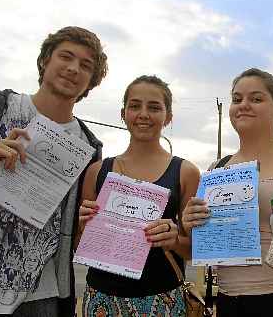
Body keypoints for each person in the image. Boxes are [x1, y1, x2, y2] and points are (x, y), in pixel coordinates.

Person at [0, 26, 108, 316]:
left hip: (39, 296)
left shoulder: (89, 147)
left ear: (92, 81)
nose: (74, 68)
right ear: (45, 60)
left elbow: (78, 228)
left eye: (86, 65)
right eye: (66, 57)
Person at [182, 68, 273, 317]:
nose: (244, 105)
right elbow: (201, 247)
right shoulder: (216, 170)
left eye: (256, 99)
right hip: (228, 300)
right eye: (237, 99)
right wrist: (190, 224)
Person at [77, 75, 200, 316]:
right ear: (123, 113)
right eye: (135, 106)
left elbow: (195, 250)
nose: (143, 114)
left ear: (169, 117)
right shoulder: (97, 171)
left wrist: (174, 239)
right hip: (101, 298)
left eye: (154, 107)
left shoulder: (186, 172)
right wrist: (84, 225)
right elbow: (80, 244)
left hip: (162, 298)